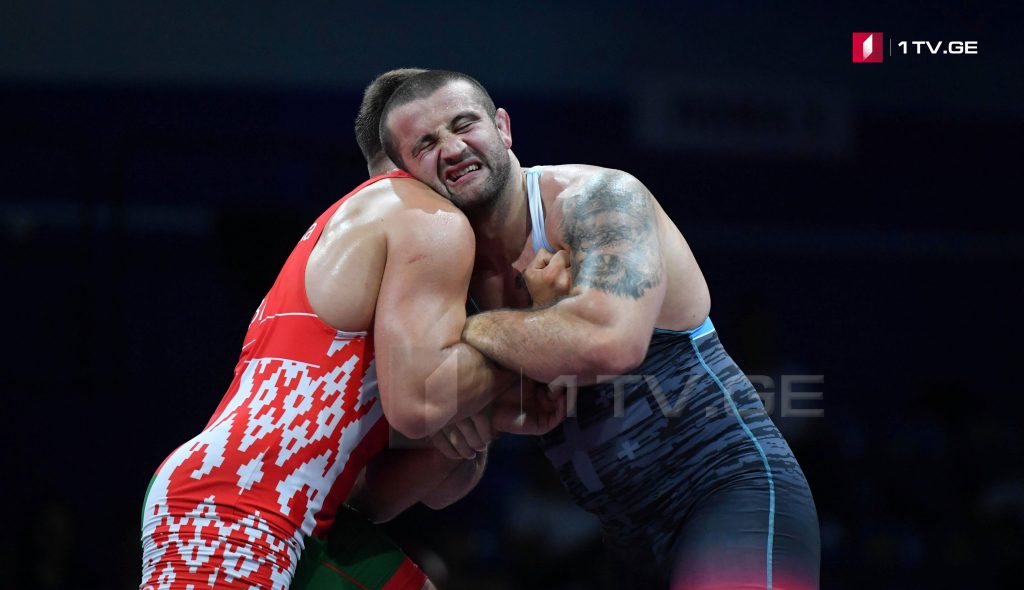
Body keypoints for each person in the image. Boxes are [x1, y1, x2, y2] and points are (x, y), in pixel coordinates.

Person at [380, 70, 821, 589]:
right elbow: (445, 489)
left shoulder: (598, 198)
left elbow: (612, 343)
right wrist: (468, 430)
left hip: (729, 494)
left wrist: (475, 334)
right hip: (623, 541)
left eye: (464, 124)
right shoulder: (448, 278)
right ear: (402, 175)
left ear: (502, 128)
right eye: (426, 143)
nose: (452, 148)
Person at [139, 68, 562, 590]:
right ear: (402, 141)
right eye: (429, 137)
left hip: (290, 506)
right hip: (237, 499)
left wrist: (482, 420)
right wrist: (543, 332)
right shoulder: (425, 217)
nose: (453, 151)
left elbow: (378, 495)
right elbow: (423, 403)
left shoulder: (366, 239)